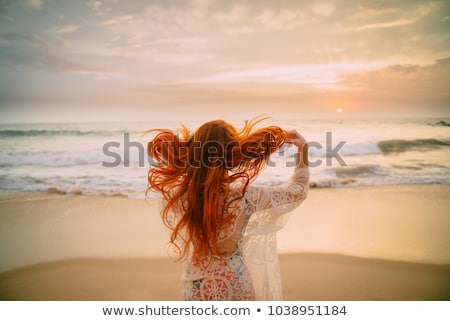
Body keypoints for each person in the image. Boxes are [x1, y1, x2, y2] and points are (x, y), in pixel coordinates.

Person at [147, 117, 309, 300]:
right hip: (237, 283)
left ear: (194, 152)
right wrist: (303, 150)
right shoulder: (245, 197)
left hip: (197, 287)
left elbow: (171, 167)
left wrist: (184, 155)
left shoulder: (179, 196)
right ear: (233, 153)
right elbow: (298, 191)